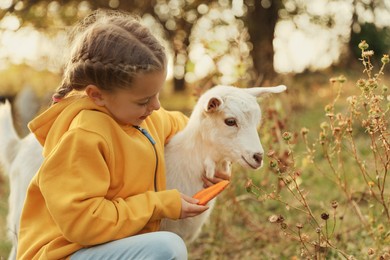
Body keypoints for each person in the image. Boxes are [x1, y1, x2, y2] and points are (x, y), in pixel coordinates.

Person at [17, 9, 228, 260]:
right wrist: (160, 204)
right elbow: (86, 224)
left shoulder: (146, 118)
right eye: (143, 101)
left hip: (104, 247)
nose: (157, 106)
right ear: (97, 95)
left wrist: (213, 158)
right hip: (66, 252)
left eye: (158, 94)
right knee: (167, 248)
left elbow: (189, 129)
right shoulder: (83, 137)